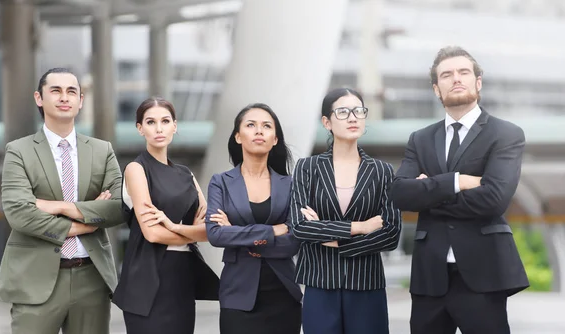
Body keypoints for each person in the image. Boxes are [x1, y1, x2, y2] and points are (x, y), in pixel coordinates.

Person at [390, 46, 529, 334]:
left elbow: (494, 199)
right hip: (430, 276)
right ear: (436, 89)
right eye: (446, 75)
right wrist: (456, 181)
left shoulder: (506, 134)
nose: (456, 79)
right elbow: (400, 194)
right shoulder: (420, 139)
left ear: (478, 82)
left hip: (483, 274)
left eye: (463, 72)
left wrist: (428, 193)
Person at [0, 67, 124, 334]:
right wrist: (82, 224)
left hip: (92, 277)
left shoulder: (102, 150)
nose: (64, 97)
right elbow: (19, 212)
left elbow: (118, 206)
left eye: (71, 91)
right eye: (56, 90)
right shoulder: (18, 151)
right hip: (35, 278)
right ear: (39, 98)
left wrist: (62, 207)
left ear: (80, 100)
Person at [289, 88, 402, 334]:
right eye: (343, 112)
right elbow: (299, 226)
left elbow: (391, 233)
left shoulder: (382, 171)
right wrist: (359, 228)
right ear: (326, 122)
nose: (353, 117)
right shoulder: (307, 168)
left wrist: (333, 241)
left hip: (366, 284)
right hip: (319, 282)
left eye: (358, 111)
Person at [112, 97, 219, 334]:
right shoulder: (136, 169)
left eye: (165, 121)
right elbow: (152, 233)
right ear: (140, 128)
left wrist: (173, 227)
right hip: (147, 277)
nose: (159, 128)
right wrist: (192, 233)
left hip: (181, 275)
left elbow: (211, 230)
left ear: (175, 125)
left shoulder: (186, 174)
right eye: (150, 122)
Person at [205, 103, 302, 334]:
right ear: (238, 136)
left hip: (284, 294)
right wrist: (271, 231)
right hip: (238, 295)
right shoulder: (221, 182)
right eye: (251, 125)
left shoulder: (290, 184)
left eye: (267, 126)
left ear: (275, 139)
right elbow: (216, 235)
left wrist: (238, 235)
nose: (259, 131)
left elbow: (294, 239)